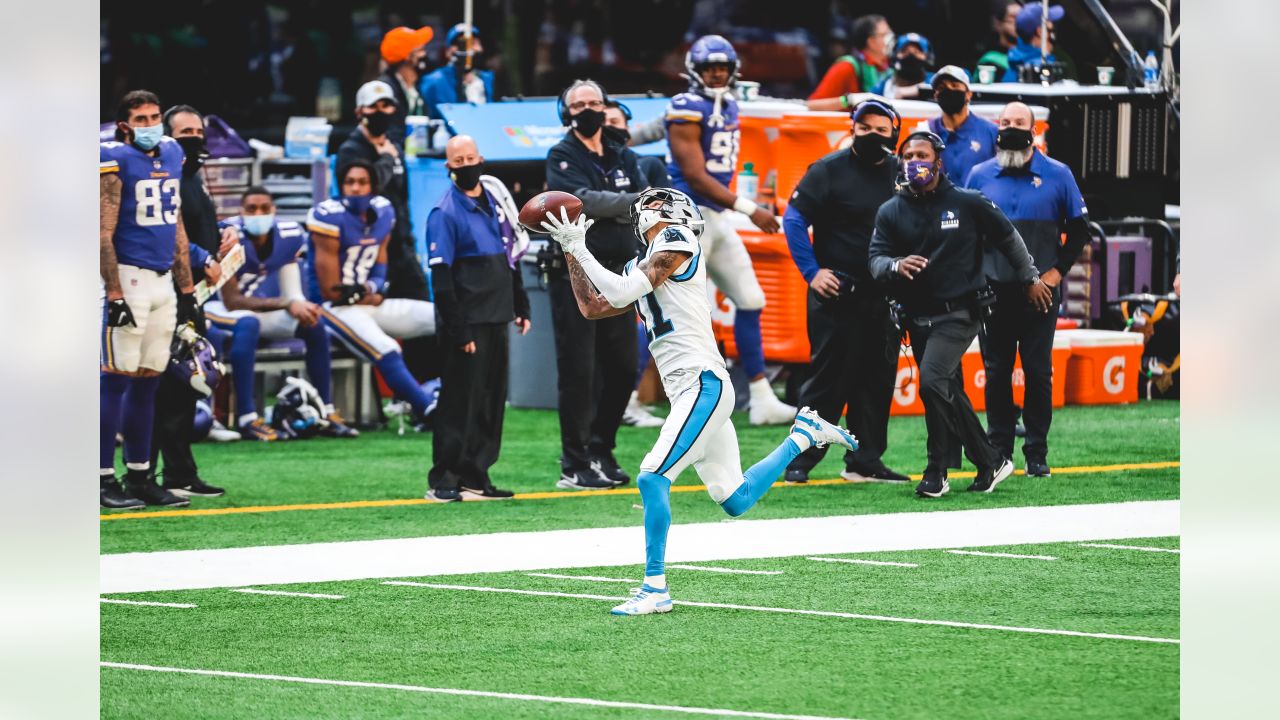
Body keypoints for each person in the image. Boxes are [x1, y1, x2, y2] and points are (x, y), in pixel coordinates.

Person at [541, 187, 858, 616]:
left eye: (650, 203)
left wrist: (580, 246)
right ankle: (803, 437)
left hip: (702, 384)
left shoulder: (677, 240)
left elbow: (617, 294)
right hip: (690, 392)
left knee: (652, 477)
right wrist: (570, 251)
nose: (642, 209)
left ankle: (655, 588)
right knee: (735, 499)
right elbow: (593, 307)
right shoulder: (642, 260)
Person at [867, 131, 1052, 498]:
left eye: (921, 154)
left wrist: (1030, 277)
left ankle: (956, 463)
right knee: (944, 388)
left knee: (933, 382)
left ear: (938, 161)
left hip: (961, 312)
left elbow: (1009, 238)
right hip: (915, 317)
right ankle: (967, 465)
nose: (913, 162)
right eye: (907, 156)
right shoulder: (891, 210)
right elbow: (875, 260)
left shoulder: (968, 202)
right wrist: (896, 265)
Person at [665, 35, 797, 426]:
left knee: (751, 298)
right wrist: (748, 207)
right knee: (679, 310)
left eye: (722, 67)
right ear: (695, 70)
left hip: (714, 216)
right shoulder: (685, 105)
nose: (717, 73)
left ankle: (760, 397)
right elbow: (694, 175)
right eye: (710, 68)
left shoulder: (728, 103)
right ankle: (637, 398)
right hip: (687, 216)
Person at [781, 101, 910, 485]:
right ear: (852, 128)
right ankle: (799, 461)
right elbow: (793, 219)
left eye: (880, 129)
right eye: (864, 127)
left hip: (883, 294)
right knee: (827, 380)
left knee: (877, 379)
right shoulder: (827, 170)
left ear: (894, 134)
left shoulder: (898, 173)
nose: (871, 134)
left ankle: (865, 462)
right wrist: (811, 272)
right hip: (836, 290)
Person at [965, 102, 1089, 477]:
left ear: (1034, 130)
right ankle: (999, 450)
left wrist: (1054, 274)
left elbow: (1079, 229)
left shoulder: (1058, 174)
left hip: (1041, 291)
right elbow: (966, 233)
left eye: (1019, 122)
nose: (1011, 126)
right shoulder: (979, 174)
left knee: (1038, 371)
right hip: (992, 292)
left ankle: (1037, 452)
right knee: (996, 369)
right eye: (1005, 122)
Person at [544, 79, 646, 490]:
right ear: (566, 112)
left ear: (606, 107)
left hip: (619, 271)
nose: (587, 109)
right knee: (579, 370)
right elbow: (577, 201)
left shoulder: (622, 152)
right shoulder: (561, 154)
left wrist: (615, 206)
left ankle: (602, 447)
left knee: (622, 367)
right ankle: (575, 461)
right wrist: (628, 202)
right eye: (579, 103)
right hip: (576, 272)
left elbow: (639, 204)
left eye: (594, 102)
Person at [100, 90, 200, 509]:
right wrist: (114, 290)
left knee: (148, 380)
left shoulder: (174, 153)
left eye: (155, 116)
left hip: (162, 281)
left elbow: (175, 221)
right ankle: (101, 479)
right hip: (128, 276)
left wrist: (189, 288)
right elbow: (102, 230)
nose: (150, 124)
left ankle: (139, 475)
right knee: (115, 378)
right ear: (124, 124)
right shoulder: (114, 158)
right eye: (140, 118)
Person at [425, 135, 532, 502]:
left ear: (481, 159)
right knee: (458, 402)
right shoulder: (445, 212)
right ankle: (444, 478)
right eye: (459, 160)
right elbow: (441, 280)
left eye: (472, 157)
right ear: (449, 167)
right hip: (467, 323)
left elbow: (509, 257)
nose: (467, 165)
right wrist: (458, 329)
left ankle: (476, 474)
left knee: (490, 400)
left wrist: (521, 305)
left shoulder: (495, 204)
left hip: (496, 316)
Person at [206, 187, 358, 440]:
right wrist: (288, 303)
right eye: (251, 209)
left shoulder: (288, 235)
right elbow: (232, 301)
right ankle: (247, 417)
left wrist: (300, 305)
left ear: (274, 211)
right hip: (215, 307)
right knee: (247, 323)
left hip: (257, 310)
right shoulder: (229, 235)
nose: (258, 214)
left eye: (265, 208)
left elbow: (293, 292)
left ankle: (325, 410)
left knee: (312, 322)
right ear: (241, 213)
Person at [305, 161, 439, 423]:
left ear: (373, 186)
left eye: (362, 182)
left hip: (367, 303)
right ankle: (429, 411)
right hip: (333, 310)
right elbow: (332, 291)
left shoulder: (383, 210)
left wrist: (370, 290)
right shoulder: (327, 215)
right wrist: (370, 292)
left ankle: (452, 391)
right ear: (341, 186)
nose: (356, 188)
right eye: (349, 182)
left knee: (443, 317)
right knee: (386, 347)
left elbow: (380, 271)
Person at [144, 104, 233, 498]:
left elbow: (197, 226)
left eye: (199, 130)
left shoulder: (194, 178)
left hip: (193, 295)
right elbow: (167, 231)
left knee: (182, 387)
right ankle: (148, 473)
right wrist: (203, 256)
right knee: (163, 387)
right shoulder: (166, 177)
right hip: (169, 291)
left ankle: (179, 471)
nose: (195, 137)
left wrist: (226, 231)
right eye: (185, 132)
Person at [338, 81, 433, 378]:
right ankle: (393, 391)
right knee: (374, 321)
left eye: (387, 106)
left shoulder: (393, 143)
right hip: (368, 252)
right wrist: (387, 161)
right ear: (359, 111)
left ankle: (426, 387)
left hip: (402, 247)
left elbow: (401, 199)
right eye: (374, 107)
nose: (382, 112)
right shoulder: (351, 150)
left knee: (422, 318)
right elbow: (361, 194)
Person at [604, 99, 668, 430]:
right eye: (607, 121)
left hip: (640, 252)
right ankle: (626, 400)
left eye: (618, 120)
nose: (613, 127)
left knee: (647, 323)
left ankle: (632, 398)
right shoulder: (600, 166)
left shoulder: (643, 163)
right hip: (611, 259)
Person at [927, 66, 999, 186]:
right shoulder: (928, 132)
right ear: (935, 95)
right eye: (942, 87)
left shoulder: (990, 131)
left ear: (968, 95)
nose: (948, 90)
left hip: (980, 203)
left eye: (955, 85)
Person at [807, 15, 893, 108]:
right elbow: (812, 105)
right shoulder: (847, 66)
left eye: (891, 33)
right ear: (871, 41)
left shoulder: (891, 67)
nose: (891, 38)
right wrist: (848, 100)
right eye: (885, 35)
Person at [421, 23, 495, 120]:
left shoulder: (488, 79)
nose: (467, 49)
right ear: (448, 51)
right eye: (460, 44)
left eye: (472, 43)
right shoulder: (434, 82)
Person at [376, 25, 434, 147]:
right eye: (420, 50)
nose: (425, 54)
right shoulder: (386, 89)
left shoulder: (418, 86)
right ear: (408, 57)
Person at [1003, 3, 1075, 83]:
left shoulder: (1014, 65)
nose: (1054, 27)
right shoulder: (1045, 70)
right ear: (1040, 31)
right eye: (1051, 24)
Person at [871, 33, 935, 100]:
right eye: (905, 51)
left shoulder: (935, 81)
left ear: (927, 56)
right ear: (895, 55)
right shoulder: (886, 86)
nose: (911, 55)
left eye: (916, 52)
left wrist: (908, 91)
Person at [974, 1, 1024, 79]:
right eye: (1013, 17)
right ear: (998, 24)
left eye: (1022, 17)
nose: (1019, 22)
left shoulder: (1028, 57)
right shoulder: (990, 60)